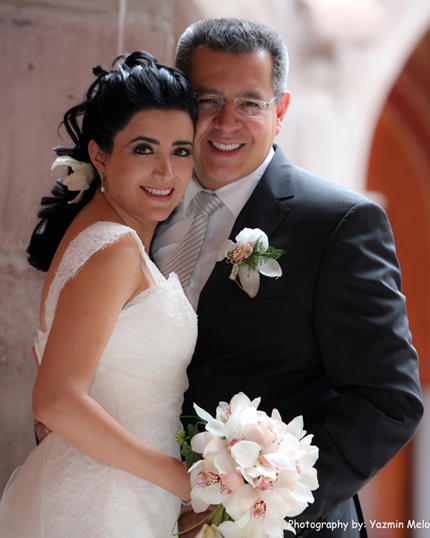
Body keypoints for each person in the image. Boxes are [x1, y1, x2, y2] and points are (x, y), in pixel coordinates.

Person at [151, 18, 424, 537]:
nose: (227, 122)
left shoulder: (339, 224)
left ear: (280, 112)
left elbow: (388, 398)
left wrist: (259, 506)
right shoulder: (143, 211)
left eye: (250, 103)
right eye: (208, 100)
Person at [0, 51, 198, 538]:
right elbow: (55, 401)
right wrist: (184, 482)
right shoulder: (114, 248)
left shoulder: (98, 237)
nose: (166, 172)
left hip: (114, 492)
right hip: (106, 506)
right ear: (100, 155)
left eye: (181, 151)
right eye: (144, 149)